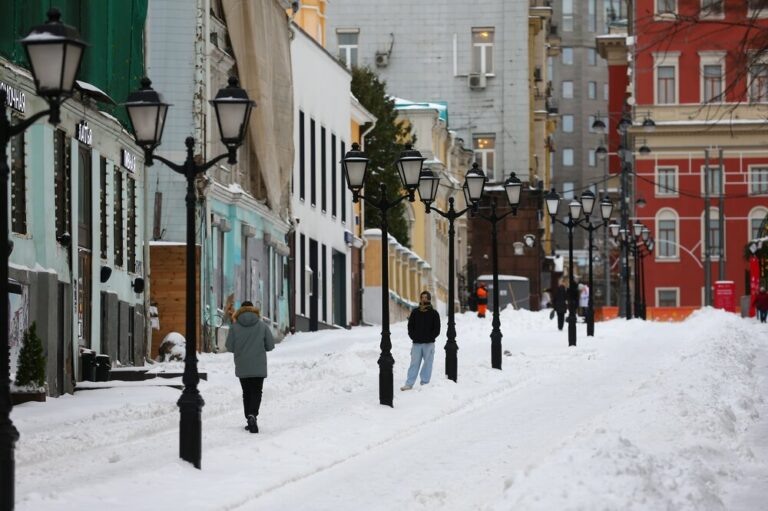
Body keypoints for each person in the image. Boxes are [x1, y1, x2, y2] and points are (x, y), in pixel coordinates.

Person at [225, 300, 275, 433]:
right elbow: (270, 346)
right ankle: (253, 415)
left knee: (246, 392)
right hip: (258, 366)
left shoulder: (234, 327)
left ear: (240, 311)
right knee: (257, 391)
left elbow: (229, 347)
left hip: (242, 365)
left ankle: (249, 417)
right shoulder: (262, 325)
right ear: (253, 310)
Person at [401, 291, 441, 391]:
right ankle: (409, 383)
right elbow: (410, 326)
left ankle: (425, 383)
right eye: (422, 297)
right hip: (417, 343)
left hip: (429, 343)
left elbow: (437, 328)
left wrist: (431, 337)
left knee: (428, 363)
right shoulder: (415, 312)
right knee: (414, 363)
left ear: (429, 299)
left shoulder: (434, 313)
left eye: (426, 297)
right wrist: (413, 336)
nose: (424, 299)